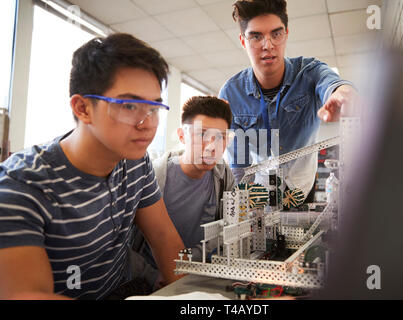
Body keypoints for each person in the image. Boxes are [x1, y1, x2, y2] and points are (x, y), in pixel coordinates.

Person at [0, 33, 185, 300]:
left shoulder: (135, 160)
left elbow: (164, 236)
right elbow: (27, 294)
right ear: (82, 108)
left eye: (154, 107)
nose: (146, 123)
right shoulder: (22, 186)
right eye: (129, 105)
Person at [219, 0, 358, 198]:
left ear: (286, 34)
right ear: (243, 41)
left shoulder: (309, 72)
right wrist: (244, 206)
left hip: (302, 187)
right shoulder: (231, 94)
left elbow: (332, 84)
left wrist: (343, 93)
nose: (268, 45)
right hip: (260, 193)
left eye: (276, 34)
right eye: (256, 37)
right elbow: (239, 165)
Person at [132, 96, 235, 290]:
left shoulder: (223, 176)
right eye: (201, 135)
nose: (211, 147)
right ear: (181, 136)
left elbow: (226, 229)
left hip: (199, 277)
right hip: (151, 282)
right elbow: (122, 245)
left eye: (220, 137)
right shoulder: (152, 177)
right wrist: (152, 276)